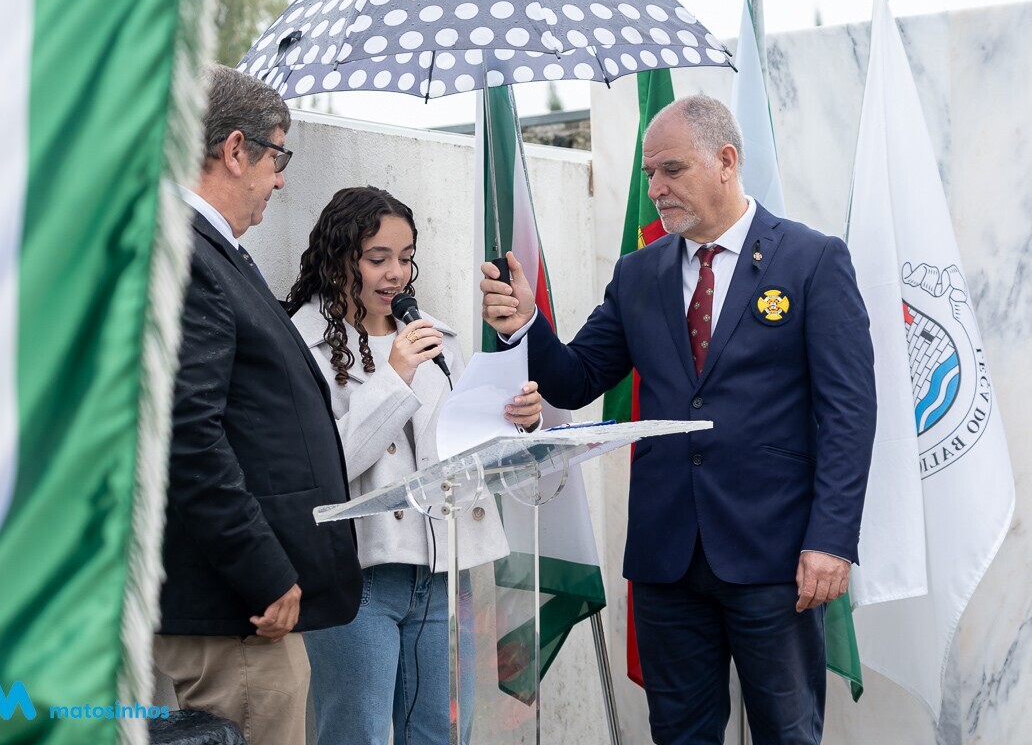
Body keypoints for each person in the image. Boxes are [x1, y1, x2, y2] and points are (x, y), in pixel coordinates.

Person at [480, 96, 876, 745]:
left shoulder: (811, 261)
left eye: (671, 169)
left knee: (788, 734)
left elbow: (849, 413)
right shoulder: (639, 273)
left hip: (774, 555)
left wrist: (831, 539)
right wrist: (527, 322)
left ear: (726, 161)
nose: (656, 189)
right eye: (648, 175)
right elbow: (577, 378)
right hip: (667, 558)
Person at [286, 186, 542, 745]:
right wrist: (394, 376)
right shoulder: (300, 346)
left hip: (445, 572)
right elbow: (324, 467)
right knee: (356, 734)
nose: (395, 274)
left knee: (444, 733)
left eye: (405, 258)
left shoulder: (434, 337)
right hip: (358, 575)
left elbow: (464, 445)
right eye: (377, 258)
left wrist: (520, 420)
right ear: (338, 259)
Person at [155, 66, 362, 745]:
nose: (280, 180)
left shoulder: (216, 252)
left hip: (242, 613)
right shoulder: (190, 255)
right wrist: (264, 573)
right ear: (236, 150)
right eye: (278, 156)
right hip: (235, 616)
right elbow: (187, 436)